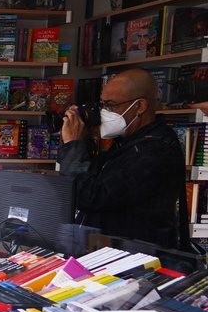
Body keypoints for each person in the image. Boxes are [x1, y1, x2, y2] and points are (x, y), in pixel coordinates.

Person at [60, 68, 187, 249]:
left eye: (111, 105)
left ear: (139, 106)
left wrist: (73, 144)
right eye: (102, 105)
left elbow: (91, 197)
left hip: (137, 262)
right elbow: (83, 178)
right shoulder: (127, 142)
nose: (104, 112)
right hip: (108, 252)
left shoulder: (156, 150)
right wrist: (82, 138)